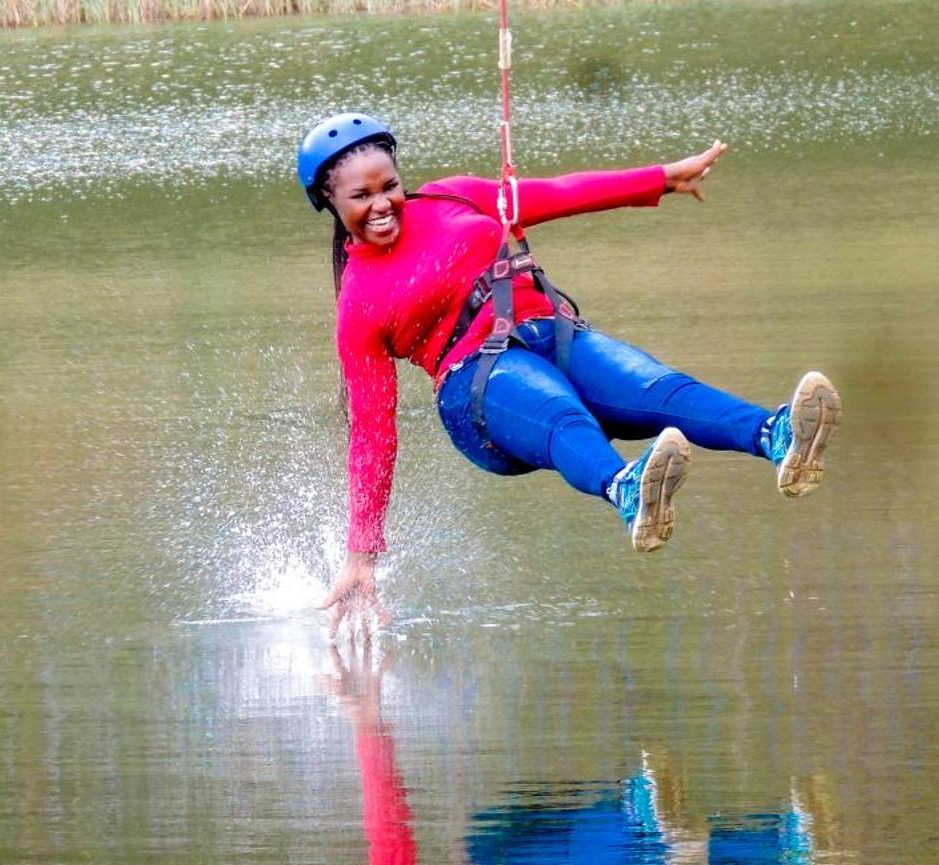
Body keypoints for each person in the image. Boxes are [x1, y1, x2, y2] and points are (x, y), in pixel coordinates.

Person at [300, 113, 840, 632]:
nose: (381, 204)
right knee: (560, 414)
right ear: (329, 200)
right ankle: (624, 489)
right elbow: (373, 435)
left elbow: (559, 193)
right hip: (475, 389)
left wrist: (663, 179)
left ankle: (777, 436)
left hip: (551, 335)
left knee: (657, 387)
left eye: (388, 186)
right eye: (361, 196)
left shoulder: (451, 195)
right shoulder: (358, 304)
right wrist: (362, 553)